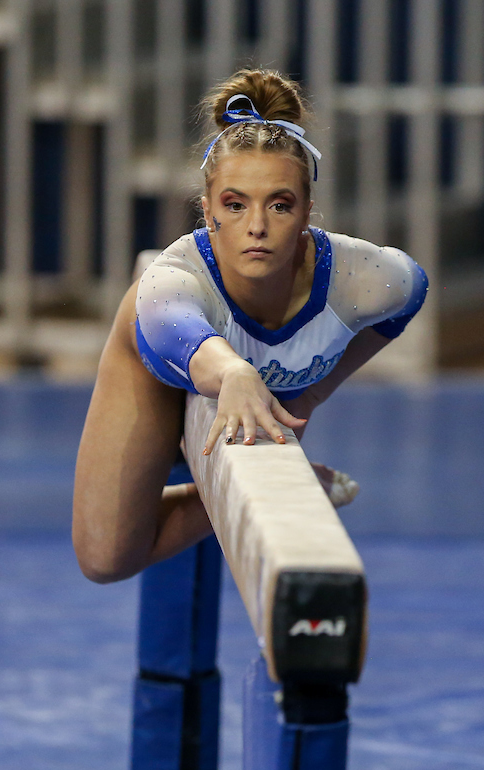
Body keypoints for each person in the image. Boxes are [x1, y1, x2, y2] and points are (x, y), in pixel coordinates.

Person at [72, 68, 428, 584]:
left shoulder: (361, 278)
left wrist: (313, 396)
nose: (256, 226)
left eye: (279, 205)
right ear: (207, 210)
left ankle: (263, 486)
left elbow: (410, 292)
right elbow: (176, 328)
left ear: (308, 210)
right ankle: (259, 486)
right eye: (234, 205)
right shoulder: (172, 281)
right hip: (158, 369)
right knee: (106, 560)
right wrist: (234, 373)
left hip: (234, 368)